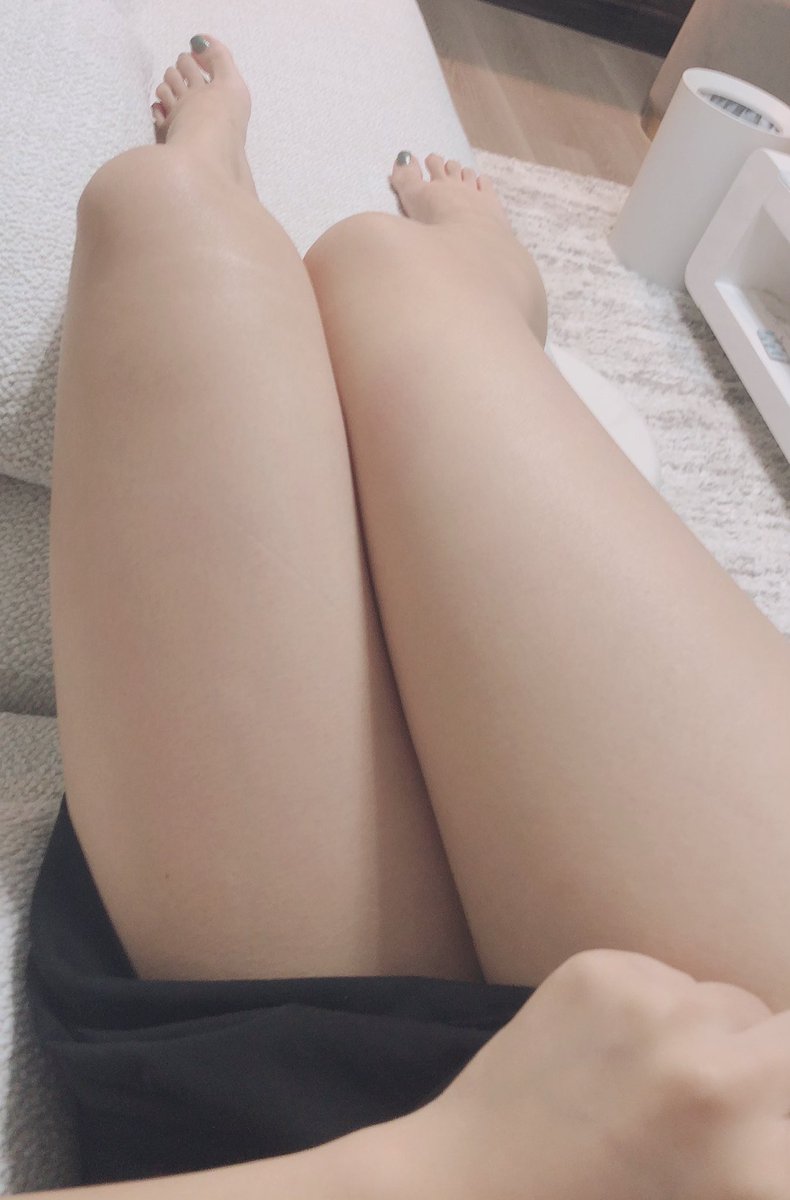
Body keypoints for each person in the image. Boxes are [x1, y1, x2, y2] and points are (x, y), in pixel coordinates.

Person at [21, 31, 790, 1200]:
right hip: (750, 1035)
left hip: (290, 1118)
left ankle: (298, 217)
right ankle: (487, 282)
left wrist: (458, 1161)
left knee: (155, 214)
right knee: (382, 272)